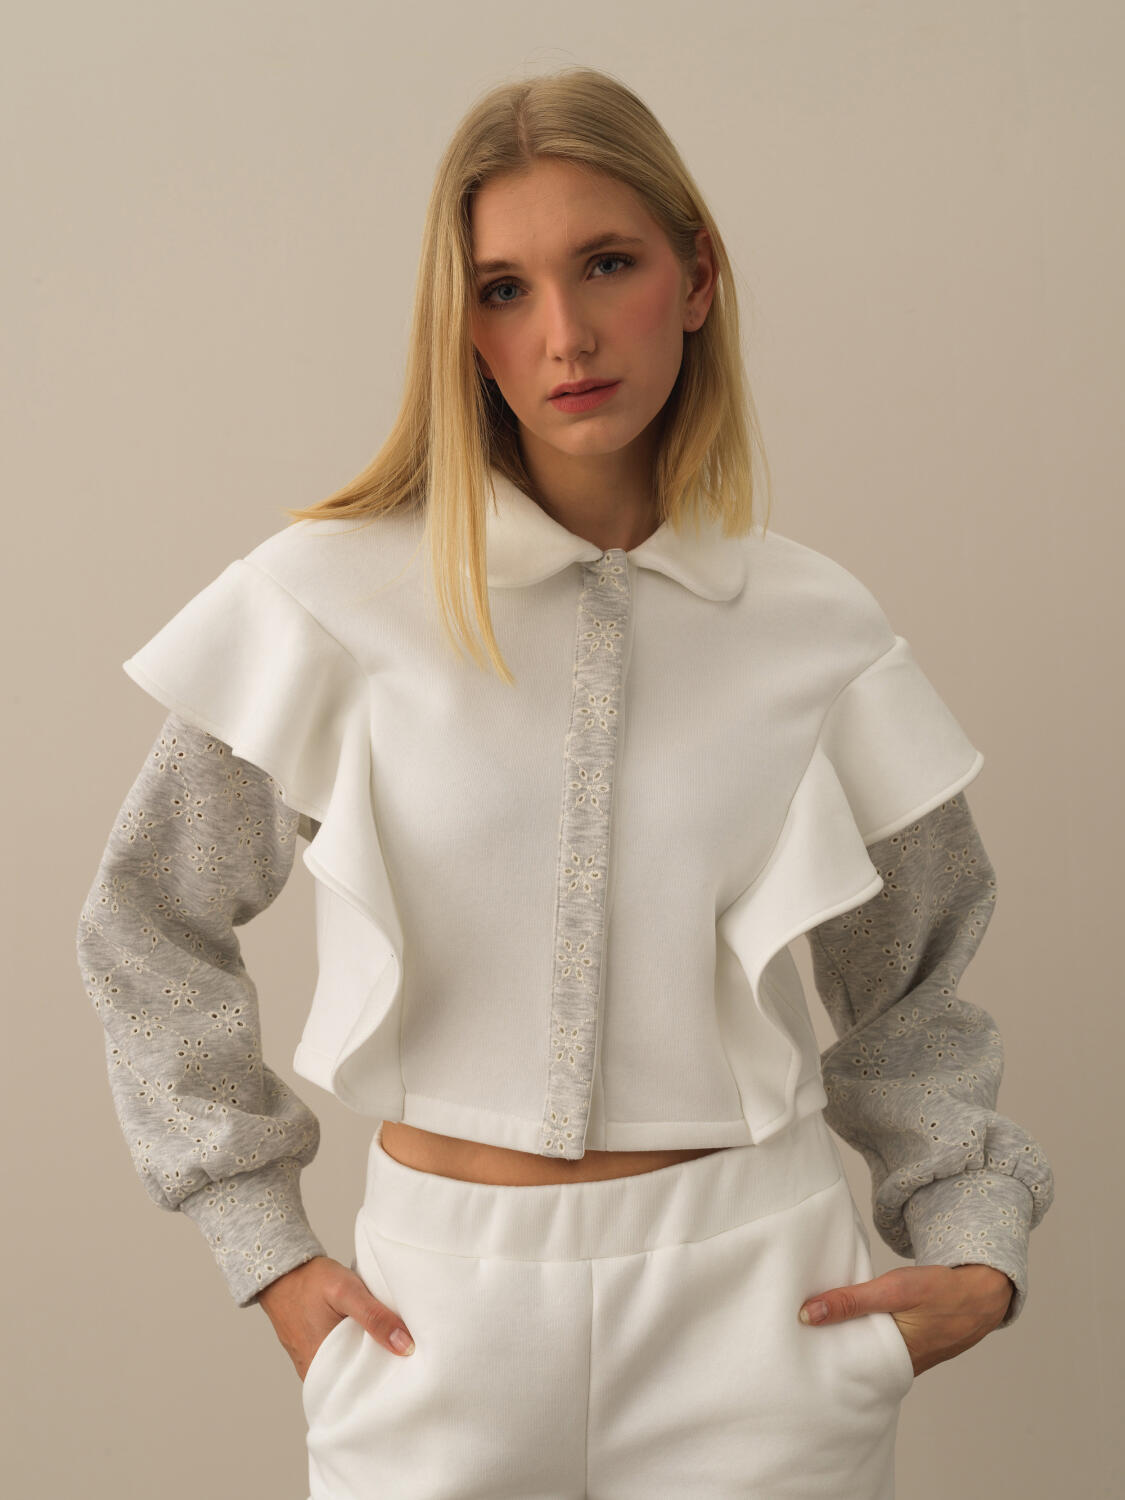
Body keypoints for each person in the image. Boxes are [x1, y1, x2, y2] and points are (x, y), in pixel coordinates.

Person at [76, 65, 1054, 1500]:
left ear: (695, 277)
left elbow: (913, 989)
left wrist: (975, 1238)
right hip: (432, 1322)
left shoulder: (817, 630)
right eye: (503, 289)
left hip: (761, 1315)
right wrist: (263, 1247)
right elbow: (147, 921)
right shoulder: (329, 602)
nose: (566, 334)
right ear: (460, 327)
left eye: (607, 264)